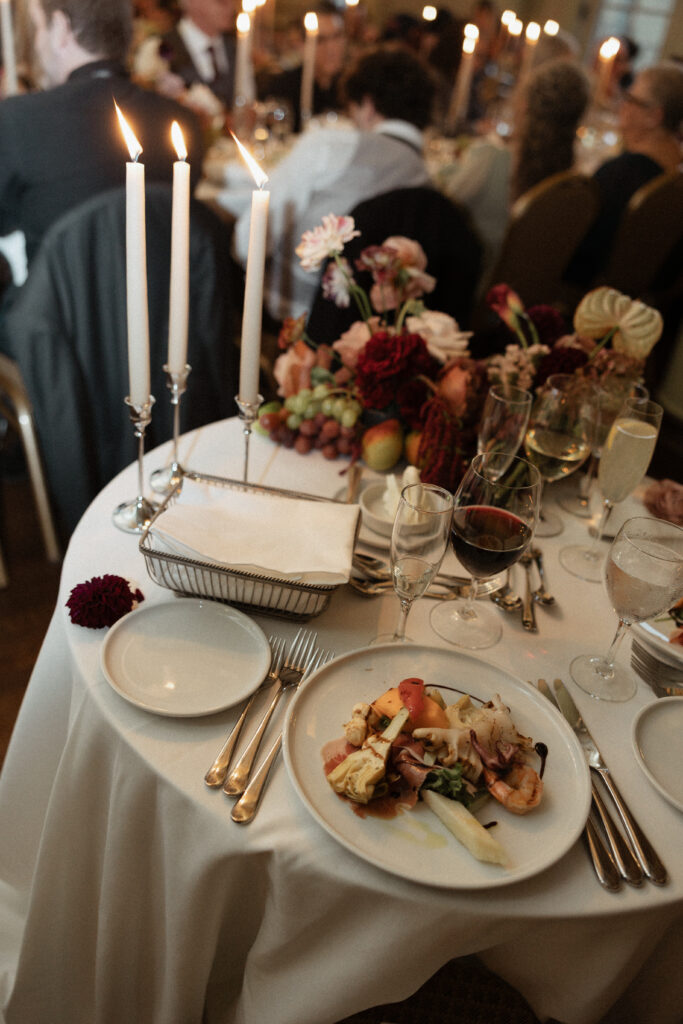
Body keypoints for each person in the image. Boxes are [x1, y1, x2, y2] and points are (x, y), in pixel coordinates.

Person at [231, 45, 437, 324]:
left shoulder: (328, 145)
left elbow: (249, 242)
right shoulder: (430, 182)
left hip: (293, 316)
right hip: (376, 329)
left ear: (367, 105)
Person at [0, 0, 205, 268]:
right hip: (158, 304)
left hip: (54, 306)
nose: (38, 45)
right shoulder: (182, 122)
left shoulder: (16, 120)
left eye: (39, 28)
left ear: (61, 29)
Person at [439, 58, 590, 275]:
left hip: (475, 281)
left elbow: (441, 205)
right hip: (530, 289)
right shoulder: (575, 182)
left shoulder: (492, 159)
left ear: (524, 104)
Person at [568, 61, 683, 286]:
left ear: (654, 116)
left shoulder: (621, 175)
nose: (622, 105)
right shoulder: (676, 176)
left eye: (631, 100)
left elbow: (578, 252)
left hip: (597, 300)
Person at [262, 2, 347, 134]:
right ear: (301, 45)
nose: (331, 48)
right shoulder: (283, 89)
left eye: (337, 37)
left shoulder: (357, 88)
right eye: (320, 40)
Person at [159, 0, 239, 110]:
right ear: (194, 2)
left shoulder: (235, 49)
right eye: (222, 2)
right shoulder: (162, 48)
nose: (232, 8)